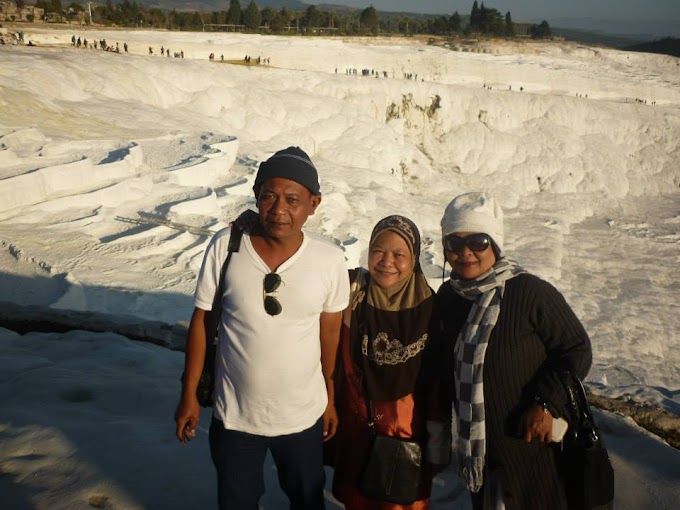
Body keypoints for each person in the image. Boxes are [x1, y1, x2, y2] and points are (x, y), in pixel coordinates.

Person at [175, 146, 350, 510]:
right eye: (269, 195)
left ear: (314, 203)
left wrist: (331, 399)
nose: (279, 209)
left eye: (292, 199)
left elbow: (329, 334)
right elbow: (202, 322)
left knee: (307, 501)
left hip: (303, 415)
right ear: (256, 195)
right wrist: (189, 393)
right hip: (235, 415)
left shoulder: (329, 260)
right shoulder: (225, 247)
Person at [435, 192, 592, 510]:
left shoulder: (529, 292)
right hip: (481, 452)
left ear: (495, 242)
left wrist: (546, 404)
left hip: (533, 449)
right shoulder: (449, 297)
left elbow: (576, 349)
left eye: (478, 241)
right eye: (454, 243)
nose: (465, 252)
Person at [328, 215, 451, 510]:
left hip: (406, 439)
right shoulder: (351, 290)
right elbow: (303, 268)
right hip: (357, 430)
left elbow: (438, 385)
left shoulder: (431, 310)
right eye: (378, 251)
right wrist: (255, 227)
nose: (386, 262)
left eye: (399, 254)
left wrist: (437, 446)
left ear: (415, 258)